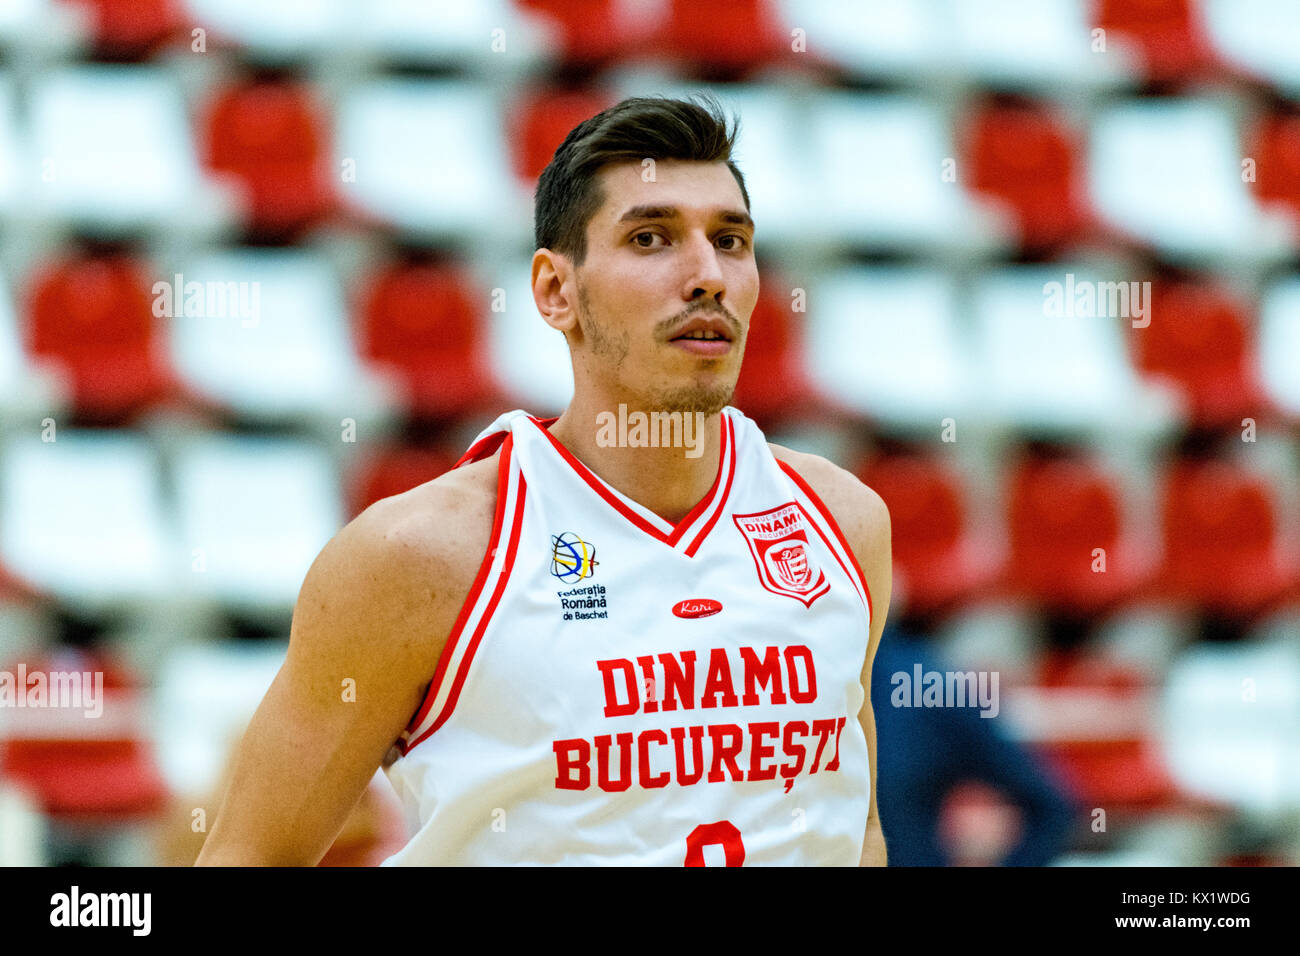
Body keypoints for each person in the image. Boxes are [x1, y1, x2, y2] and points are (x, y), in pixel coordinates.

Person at [195, 95, 892, 866]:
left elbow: (851, 823)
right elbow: (250, 855)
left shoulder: (842, 522)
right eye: (652, 238)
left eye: (731, 241)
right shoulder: (422, 556)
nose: (707, 276)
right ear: (556, 292)